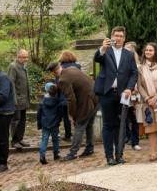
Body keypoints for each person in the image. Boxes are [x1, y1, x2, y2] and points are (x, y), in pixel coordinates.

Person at [93, 26, 138, 166]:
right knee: (108, 125)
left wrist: (129, 88)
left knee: (121, 124)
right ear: (111, 37)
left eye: (121, 36)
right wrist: (102, 48)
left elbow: (134, 73)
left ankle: (119, 155)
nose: (118, 38)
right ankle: (109, 156)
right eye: (116, 36)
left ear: (124, 38)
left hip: (122, 94)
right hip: (106, 93)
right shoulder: (105, 51)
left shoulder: (128, 54)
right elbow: (97, 58)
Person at [58, 55, 98, 161]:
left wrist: (72, 115)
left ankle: (73, 153)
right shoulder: (74, 69)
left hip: (87, 101)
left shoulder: (63, 79)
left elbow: (71, 100)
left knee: (79, 126)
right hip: (96, 97)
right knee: (89, 125)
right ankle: (89, 148)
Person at [8, 49, 31, 149]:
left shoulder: (23, 66)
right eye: (24, 57)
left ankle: (20, 139)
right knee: (16, 120)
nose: (26, 59)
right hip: (17, 99)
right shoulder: (13, 66)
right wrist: (14, 99)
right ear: (18, 57)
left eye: (27, 57)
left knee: (22, 120)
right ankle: (14, 141)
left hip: (24, 99)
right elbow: (11, 83)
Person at [37, 82, 62, 165]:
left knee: (44, 139)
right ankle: (56, 154)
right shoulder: (58, 102)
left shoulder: (43, 101)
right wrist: (59, 121)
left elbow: (39, 114)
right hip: (54, 123)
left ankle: (42, 155)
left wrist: (39, 123)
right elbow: (59, 113)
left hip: (45, 123)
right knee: (55, 139)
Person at [123, 42, 142, 151]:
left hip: (135, 94)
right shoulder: (121, 65)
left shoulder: (138, 66)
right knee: (124, 117)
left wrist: (136, 89)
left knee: (134, 118)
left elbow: (140, 81)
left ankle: (135, 141)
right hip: (125, 94)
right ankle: (126, 137)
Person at [57, 51, 79, 140]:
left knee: (66, 117)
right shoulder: (77, 67)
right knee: (76, 116)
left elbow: (58, 83)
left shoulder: (60, 68)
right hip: (76, 95)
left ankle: (68, 135)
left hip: (64, 96)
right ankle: (78, 134)